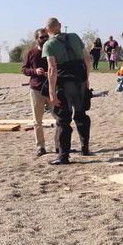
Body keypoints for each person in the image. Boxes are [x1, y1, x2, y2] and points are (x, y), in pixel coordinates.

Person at [42, 17, 92, 165]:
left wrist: (51, 92)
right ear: (60, 26)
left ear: (47, 30)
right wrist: (87, 78)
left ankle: (63, 156)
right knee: (81, 115)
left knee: (63, 120)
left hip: (64, 84)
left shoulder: (49, 44)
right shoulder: (75, 37)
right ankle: (85, 148)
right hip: (81, 81)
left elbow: (52, 69)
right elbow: (87, 59)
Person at [22, 28, 55, 157]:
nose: (45, 39)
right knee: (37, 121)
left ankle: (59, 145)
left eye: (47, 37)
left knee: (59, 118)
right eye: (42, 37)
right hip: (36, 89)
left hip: (52, 89)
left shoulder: (53, 51)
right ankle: (40, 147)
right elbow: (24, 69)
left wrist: (50, 74)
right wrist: (35, 71)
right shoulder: (32, 52)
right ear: (37, 39)